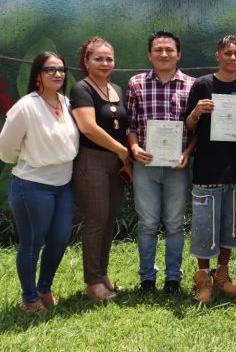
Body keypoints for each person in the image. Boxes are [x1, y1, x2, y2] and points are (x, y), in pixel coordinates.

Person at [0, 52, 79, 312]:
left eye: (61, 69)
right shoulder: (26, 106)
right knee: (32, 242)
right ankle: (29, 299)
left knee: (60, 238)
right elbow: (6, 148)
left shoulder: (66, 103)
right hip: (31, 185)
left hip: (63, 185)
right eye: (50, 70)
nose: (57, 74)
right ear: (38, 76)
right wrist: (30, 159)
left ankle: (44, 288)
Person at [125, 30, 196, 295]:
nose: (164, 54)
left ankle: (173, 279)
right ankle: (147, 278)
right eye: (158, 49)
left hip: (177, 166)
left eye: (169, 50)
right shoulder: (136, 83)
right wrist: (134, 147)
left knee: (175, 223)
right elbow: (130, 123)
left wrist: (188, 152)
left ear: (179, 54)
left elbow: (198, 128)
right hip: (145, 164)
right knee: (148, 223)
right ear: (149, 55)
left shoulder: (192, 85)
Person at [185, 35, 236, 303]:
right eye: (228, 53)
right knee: (205, 226)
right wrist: (197, 112)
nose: (233, 58)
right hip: (207, 168)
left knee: (230, 226)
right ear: (217, 55)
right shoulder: (202, 85)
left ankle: (222, 274)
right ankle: (203, 276)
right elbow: (189, 126)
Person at [70, 37, 132, 302]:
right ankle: (93, 283)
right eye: (98, 58)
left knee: (108, 220)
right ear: (86, 61)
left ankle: (102, 275)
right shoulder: (81, 89)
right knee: (96, 222)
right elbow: (88, 127)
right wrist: (120, 150)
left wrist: (125, 157)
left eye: (109, 58)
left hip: (117, 164)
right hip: (92, 161)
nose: (105, 63)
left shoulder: (116, 88)